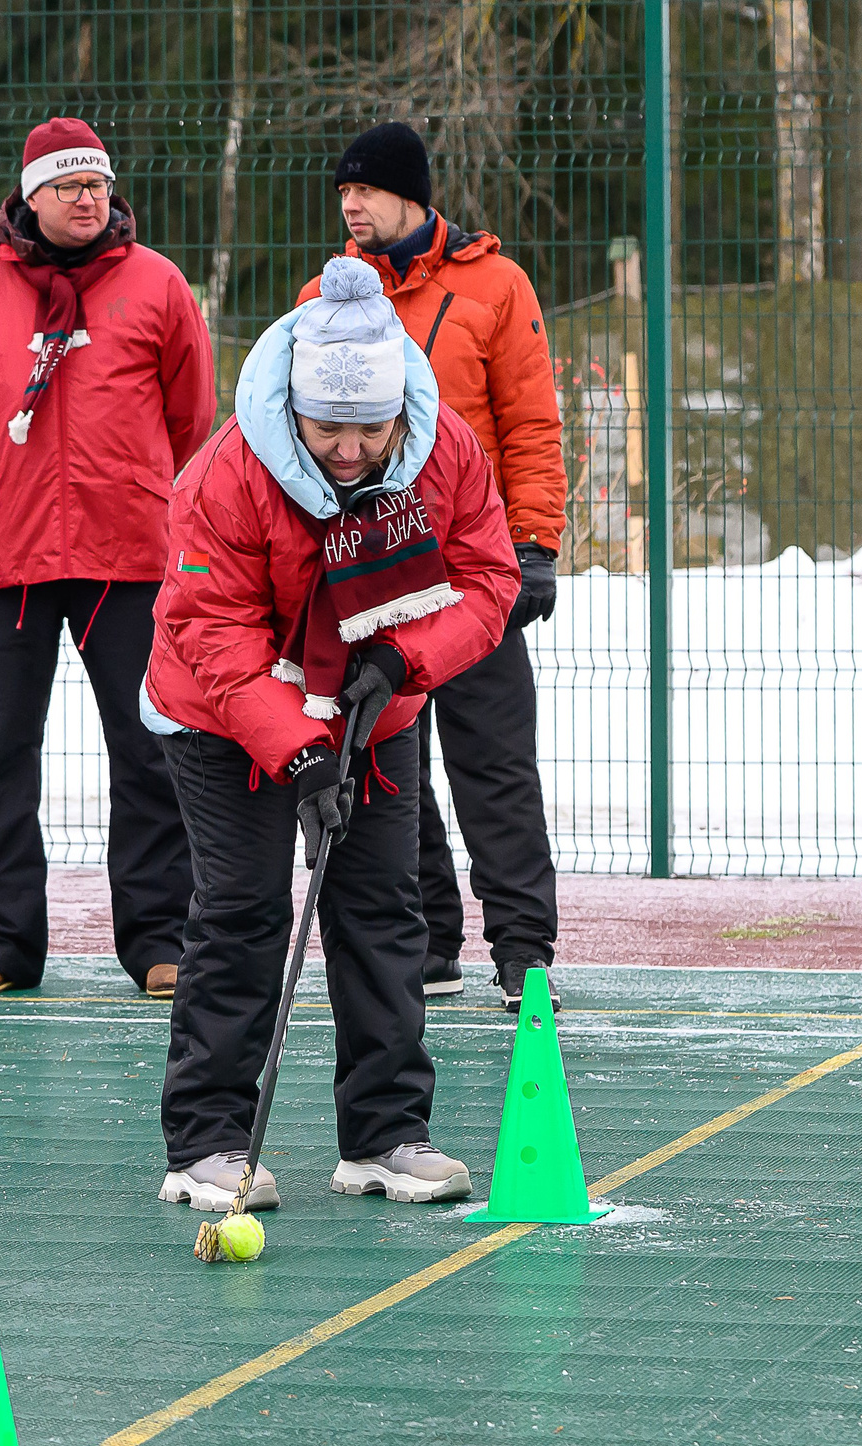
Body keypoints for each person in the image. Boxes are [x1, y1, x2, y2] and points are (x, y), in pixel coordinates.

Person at [145, 259, 518, 1212]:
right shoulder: (228, 471)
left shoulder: (445, 453)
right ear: (293, 409)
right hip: (222, 714)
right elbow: (211, 629)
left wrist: (404, 661)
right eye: (327, 429)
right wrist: (298, 749)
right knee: (244, 909)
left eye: (368, 428)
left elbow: (485, 579)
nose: (348, 450)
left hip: (368, 705)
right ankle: (209, 1142)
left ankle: (386, 1133)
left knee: (384, 908)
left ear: (400, 409)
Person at [0, 117, 214, 1000]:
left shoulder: (157, 283)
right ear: (31, 198)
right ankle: (6, 941)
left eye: (99, 184)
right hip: (5, 557)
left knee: (147, 746)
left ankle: (159, 940)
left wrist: (129, 482)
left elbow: (188, 418)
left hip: (126, 552)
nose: (89, 199)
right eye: (69, 186)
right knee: (1, 749)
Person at [304, 122, 568, 1008]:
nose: (351, 205)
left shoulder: (497, 287)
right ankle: (429, 944)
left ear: (413, 195)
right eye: (344, 192)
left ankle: (524, 953)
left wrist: (532, 544)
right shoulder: (326, 298)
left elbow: (531, 422)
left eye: (366, 190)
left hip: (472, 559)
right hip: (370, 572)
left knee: (494, 763)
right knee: (387, 756)